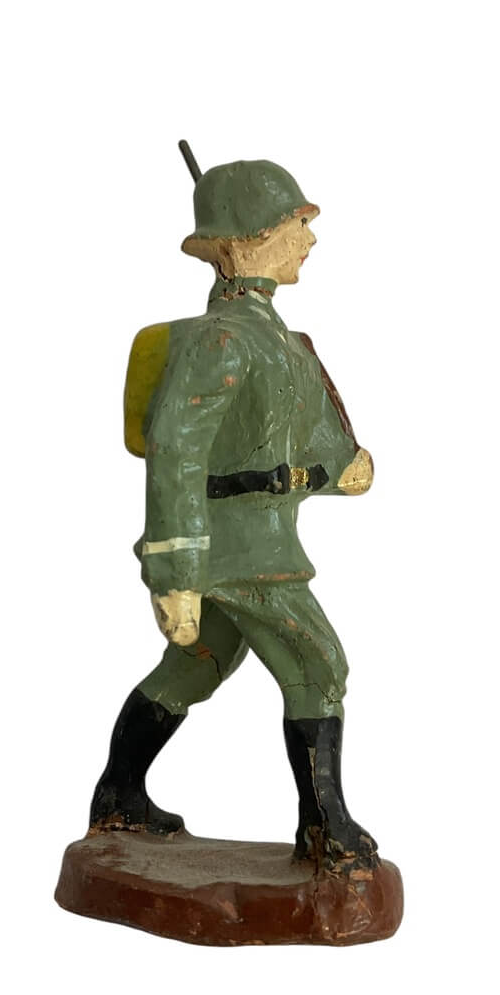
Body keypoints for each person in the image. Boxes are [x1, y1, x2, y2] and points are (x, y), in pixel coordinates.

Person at [90, 158, 378, 872]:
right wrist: (175, 573)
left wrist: (341, 470)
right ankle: (325, 826)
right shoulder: (221, 339)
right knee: (317, 660)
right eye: (294, 226)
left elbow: (297, 447)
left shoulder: (281, 341)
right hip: (239, 550)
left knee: (195, 668)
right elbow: (176, 450)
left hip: (264, 538)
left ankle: (119, 794)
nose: (308, 240)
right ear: (245, 242)